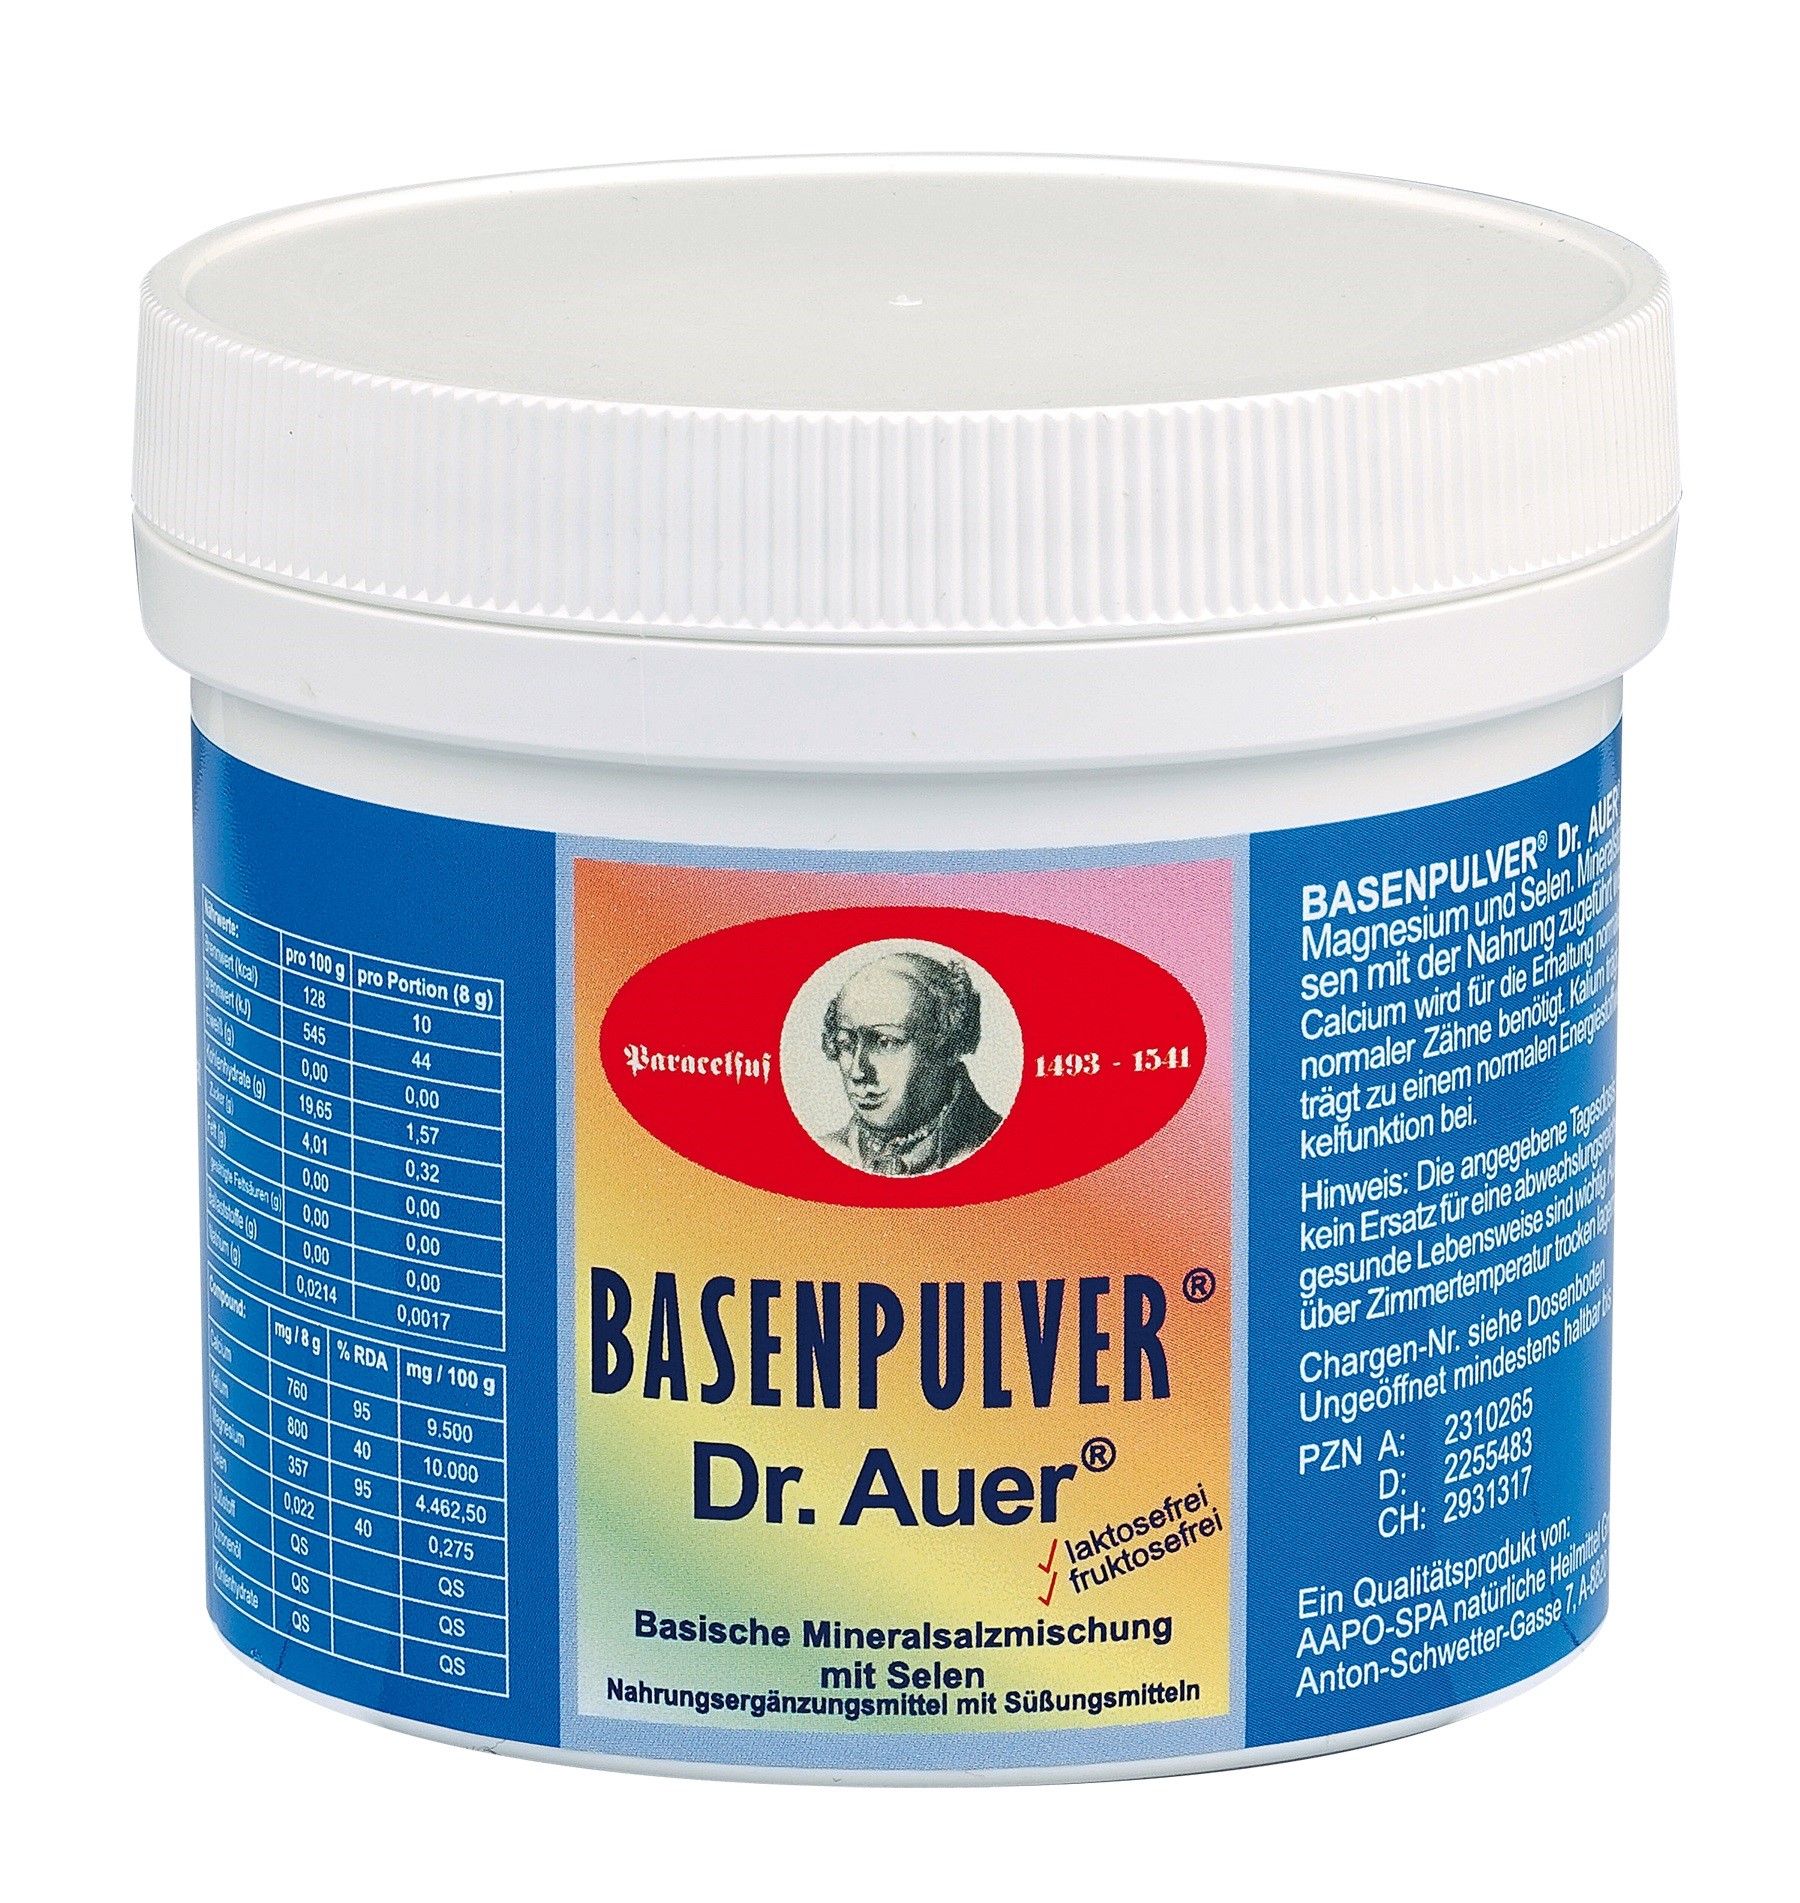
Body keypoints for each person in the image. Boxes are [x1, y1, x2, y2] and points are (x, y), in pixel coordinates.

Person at [819, 951, 1002, 1176]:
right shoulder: (825, 1151)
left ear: (949, 1044)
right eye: (845, 1043)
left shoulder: (999, 1147)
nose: (857, 1072)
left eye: (885, 1042)